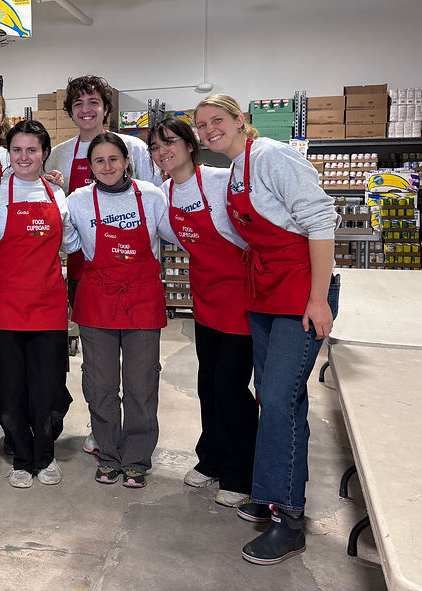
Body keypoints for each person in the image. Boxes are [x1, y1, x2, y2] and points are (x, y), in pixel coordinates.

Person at [194, 94, 340, 566]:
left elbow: (320, 220)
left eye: (218, 120)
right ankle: (268, 489)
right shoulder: (236, 168)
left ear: (242, 121)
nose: (209, 130)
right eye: (201, 125)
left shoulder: (273, 156)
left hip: (300, 292)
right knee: (271, 397)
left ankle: (289, 519)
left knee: (279, 400)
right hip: (264, 293)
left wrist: (318, 298)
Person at [147, 116, 257, 510]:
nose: (163, 153)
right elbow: (175, 238)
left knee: (231, 387)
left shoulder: (221, 180)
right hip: (205, 298)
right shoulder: (163, 194)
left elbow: (249, 230)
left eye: (170, 143)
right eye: (156, 148)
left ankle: (241, 472)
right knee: (208, 384)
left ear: (190, 145)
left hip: (243, 297)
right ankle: (210, 458)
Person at [46, 75, 159, 456]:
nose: (86, 109)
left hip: (136, 275)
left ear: (106, 107)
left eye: (93, 101)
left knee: (140, 373)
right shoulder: (60, 153)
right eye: (78, 104)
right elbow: (59, 213)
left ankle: (136, 443)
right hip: (84, 272)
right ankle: (103, 432)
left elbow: (150, 204)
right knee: (98, 367)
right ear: (71, 112)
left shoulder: (135, 147)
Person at [0, 120, 80, 489]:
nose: (24, 157)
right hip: (3, 306)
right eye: (16, 150)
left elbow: (69, 243)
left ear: (45, 153)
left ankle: (45, 454)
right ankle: (21, 457)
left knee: (48, 386)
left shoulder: (56, 194)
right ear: (8, 153)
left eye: (32, 150)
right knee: (8, 387)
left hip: (48, 306)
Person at [67, 131, 173, 490]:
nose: (107, 166)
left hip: (143, 296)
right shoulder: (78, 200)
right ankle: (109, 455)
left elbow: (174, 234)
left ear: (127, 160)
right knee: (100, 384)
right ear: (90, 166)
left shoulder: (152, 195)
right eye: (99, 160)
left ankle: (137, 458)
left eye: (114, 159)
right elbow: (69, 241)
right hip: (98, 297)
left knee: (142, 383)